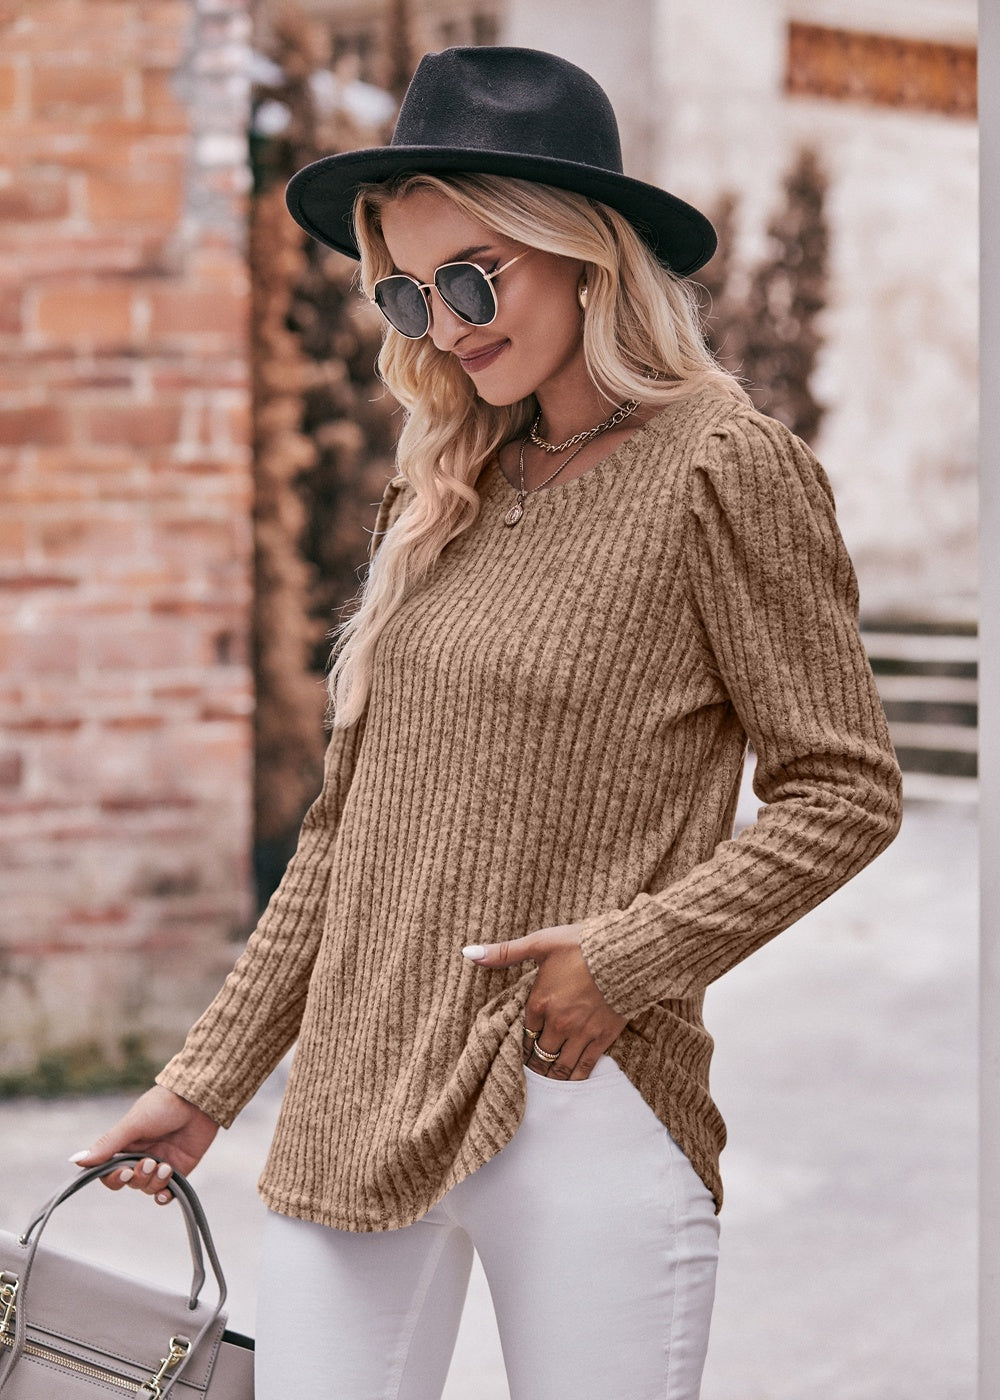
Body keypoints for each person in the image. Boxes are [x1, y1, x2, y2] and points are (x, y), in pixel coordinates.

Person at [72, 46, 903, 1400]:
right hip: (353, 1099)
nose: (444, 326)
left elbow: (844, 789)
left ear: (584, 255)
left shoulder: (721, 466)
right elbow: (346, 836)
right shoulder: (451, 488)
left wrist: (626, 957)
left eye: (473, 278)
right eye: (408, 288)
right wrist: (210, 1077)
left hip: (580, 1094)